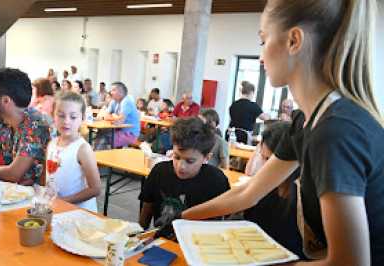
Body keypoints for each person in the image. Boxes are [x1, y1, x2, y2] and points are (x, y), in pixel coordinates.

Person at [167, 1, 384, 265]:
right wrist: (185, 218)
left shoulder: (335, 131)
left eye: (263, 40)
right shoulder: (307, 119)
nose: (260, 57)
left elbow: (349, 262)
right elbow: (248, 193)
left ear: (294, 40)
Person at [139, 117, 230, 236]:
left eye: (190, 161)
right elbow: (147, 207)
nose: (181, 166)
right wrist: (140, 233)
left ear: (207, 158)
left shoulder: (217, 180)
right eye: (176, 157)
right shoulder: (159, 171)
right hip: (163, 240)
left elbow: (225, 217)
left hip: (199, 243)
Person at [243, 121, 303, 257]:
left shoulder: (304, 201)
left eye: (269, 160)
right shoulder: (264, 190)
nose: (264, 168)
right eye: (263, 158)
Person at [0, 68, 50, 185]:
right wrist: (8, 173)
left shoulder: (35, 124)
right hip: (13, 190)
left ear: (6, 100)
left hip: (38, 197)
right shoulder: (0, 120)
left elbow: (14, 175)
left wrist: (10, 174)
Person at [46, 91, 101, 212]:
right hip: (56, 209)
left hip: (78, 213)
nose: (66, 121)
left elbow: (96, 189)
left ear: (82, 118)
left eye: (73, 117)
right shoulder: (52, 144)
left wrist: (63, 201)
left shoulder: (83, 149)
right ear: (52, 115)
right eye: (61, 115)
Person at [104, 82, 140, 147]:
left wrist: (114, 116)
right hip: (119, 131)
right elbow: (105, 116)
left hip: (130, 133)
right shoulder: (114, 101)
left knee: (105, 138)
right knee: (101, 133)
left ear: (121, 92)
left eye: (113, 90)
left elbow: (119, 121)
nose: (110, 92)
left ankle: (106, 155)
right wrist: (115, 116)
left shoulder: (126, 101)